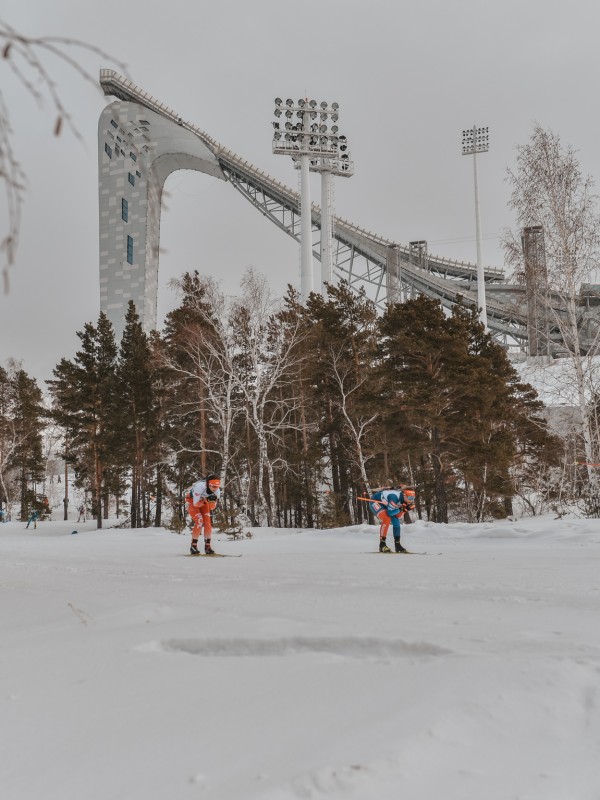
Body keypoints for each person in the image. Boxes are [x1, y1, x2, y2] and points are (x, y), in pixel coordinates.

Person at [369, 485, 416, 553]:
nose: (411, 500)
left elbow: (397, 516)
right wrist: (401, 509)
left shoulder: (405, 500)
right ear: (404, 495)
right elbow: (390, 513)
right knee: (386, 518)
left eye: (413, 498)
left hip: (387, 504)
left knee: (396, 522)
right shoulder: (394, 497)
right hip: (376, 501)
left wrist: (404, 510)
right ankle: (382, 545)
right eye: (410, 497)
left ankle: (397, 545)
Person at [186, 473, 221, 555]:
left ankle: (207, 546)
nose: (215, 489)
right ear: (208, 484)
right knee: (199, 521)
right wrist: (207, 500)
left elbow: (212, 507)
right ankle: (193, 546)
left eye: (217, 486)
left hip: (204, 501)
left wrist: (211, 501)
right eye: (213, 486)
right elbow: (195, 504)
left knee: (208, 522)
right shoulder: (200, 487)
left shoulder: (217, 491)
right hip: (192, 501)